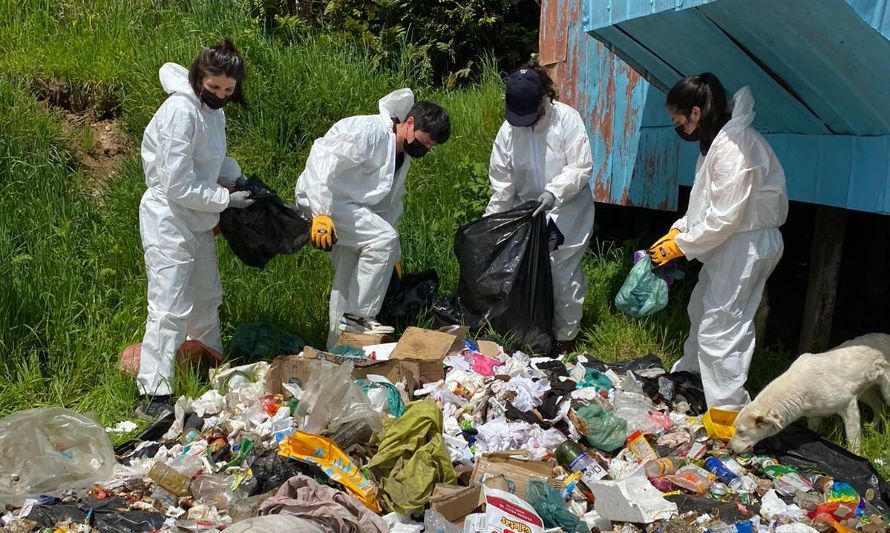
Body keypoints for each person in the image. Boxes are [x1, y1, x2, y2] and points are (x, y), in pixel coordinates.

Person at [649, 73, 788, 410]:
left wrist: (682, 245)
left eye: (677, 118)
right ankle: (692, 382)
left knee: (721, 327)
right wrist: (679, 230)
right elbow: (705, 202)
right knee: (701, 310)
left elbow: (725, 215)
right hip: (732, 241)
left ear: (695, 113)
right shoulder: (716, 143)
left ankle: (728, 411)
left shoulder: (735, 146)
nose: (677, 124)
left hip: (746, 243)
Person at [136, 38, 254, 418]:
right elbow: (177, 183)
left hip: (199, 218)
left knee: (206, 295)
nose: (221, 94)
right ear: (199, 76)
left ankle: (208, 368)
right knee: (168, 305)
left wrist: (233, 178)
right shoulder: (180, 112)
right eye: (215, 87)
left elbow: (207, 162)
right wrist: (224, 200)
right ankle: (153, 392)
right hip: (168, 217)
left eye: (228, 90)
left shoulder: (212, 112)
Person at [296, 90, 451, 348]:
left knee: (347, 278)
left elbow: (389, 205)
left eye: (431, 147)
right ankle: (359, 317)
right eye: (424, 142)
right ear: (409, 123)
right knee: (384, 238)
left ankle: (339, 349)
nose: (425, 149)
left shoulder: (402, 157)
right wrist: (321, 212)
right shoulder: (369, 131)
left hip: (350, 209)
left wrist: (393, 256)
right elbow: (322, 160)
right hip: (325, 199)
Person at [485, 62, 594, 355]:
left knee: (559, 272)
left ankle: (564, 335)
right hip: (527, 210)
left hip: (567, 209)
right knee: (517, 269)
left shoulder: (566, 120)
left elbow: (581, 166)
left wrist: (554, 192)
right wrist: (492, 223)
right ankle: (528, 330)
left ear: (544, 99)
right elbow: (503, 185)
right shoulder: (508, 132)